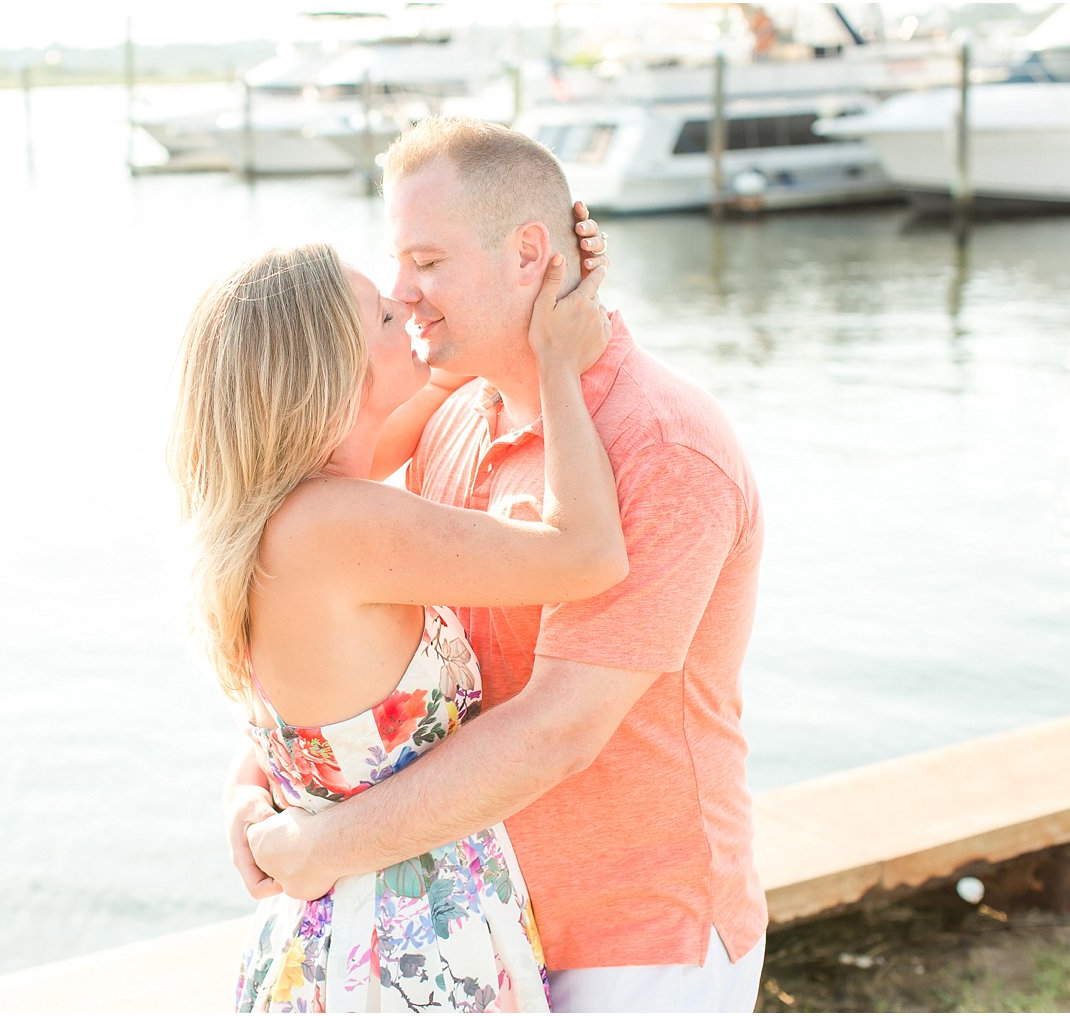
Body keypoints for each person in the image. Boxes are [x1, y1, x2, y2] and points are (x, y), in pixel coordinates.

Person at [238, 116, 768, 1013]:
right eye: (397, 264)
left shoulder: (665, 449)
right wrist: (258, 783)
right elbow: (330, 621)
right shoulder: (451, 417)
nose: (404, 294)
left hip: (632, 942)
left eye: (429, 261)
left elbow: (559, 729)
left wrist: (323, 849)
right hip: (472, 931)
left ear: (530, 255)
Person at [168, 222, 618, 1011]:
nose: (406, 309)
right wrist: (556, 361)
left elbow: (445, 377)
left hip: (361, 929)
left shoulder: (285, 511)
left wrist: (532, 291)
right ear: (331, 369)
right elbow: (586, 556)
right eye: (381, 315)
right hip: (398, 954)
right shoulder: (335, 526)